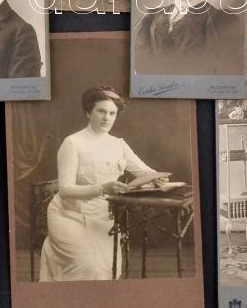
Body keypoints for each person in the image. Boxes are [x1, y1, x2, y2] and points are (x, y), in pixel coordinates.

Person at [38, 86, 167, 281]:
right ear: (88, 112)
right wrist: (102, 188)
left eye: (112, 113)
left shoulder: (118, 144)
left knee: (107, 270)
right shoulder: (72, 143)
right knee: (86, 266)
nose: (107, 118)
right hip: (68, 215)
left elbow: (145, 171)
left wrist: (156, 177)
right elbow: (64, 190)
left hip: (102, 217)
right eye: (101, 111)